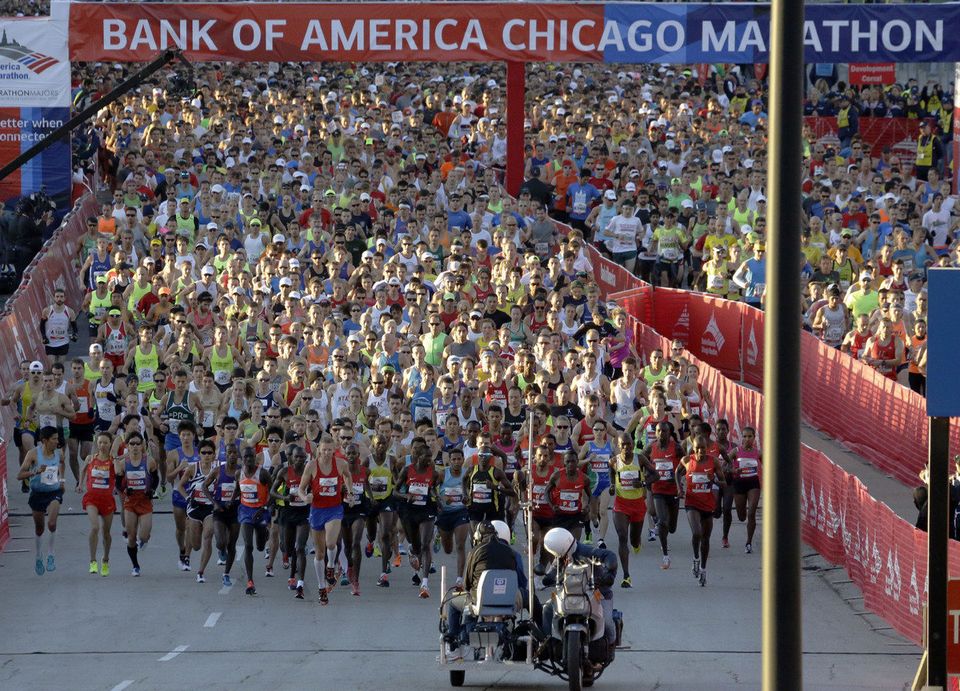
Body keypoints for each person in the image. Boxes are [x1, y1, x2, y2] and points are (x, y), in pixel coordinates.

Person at [443, 521, 519, 660]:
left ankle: (454, 644)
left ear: (478, 536)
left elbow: (467, 583)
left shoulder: (476, 551)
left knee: (454, 603)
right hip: (506, 600)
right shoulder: (510, 551)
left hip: (481, 600)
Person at [541, 527, 618, 651]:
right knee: (547, 609)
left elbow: (610, 556)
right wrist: (548, 578)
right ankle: (547, 644)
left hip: (597, 593)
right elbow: (552, 572)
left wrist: (608, 575)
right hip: (568, 595)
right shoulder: (561, 557)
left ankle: (610, 647)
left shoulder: (586, 552)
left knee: (607, 622)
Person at [298, 433, 352, 605]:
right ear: (318, 450)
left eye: (330, 450)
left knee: (331, 543)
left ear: (334, 450)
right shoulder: (312, 466)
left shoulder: (341, 464)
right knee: (319, 553)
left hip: (334, 509)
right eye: (324, 450)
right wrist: (304, 497)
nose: (327, 453)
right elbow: (301, 488)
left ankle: (331, 567)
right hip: (317, 510)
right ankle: (322, 587)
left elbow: (348, 476)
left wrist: (349, 493)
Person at [676, 433, 727, 586]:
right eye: (697, 449)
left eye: (703, 449)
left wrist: (715, 480)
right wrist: (679, 488)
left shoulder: (714, 462)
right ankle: (695, 559)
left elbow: (724, 483)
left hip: (707, 504)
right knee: (696, 533)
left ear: (707, 449)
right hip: (692, 502)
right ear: (693, 449)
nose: (700, 452)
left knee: (705, 539)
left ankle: (703, 569)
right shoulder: (687, 460)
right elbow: (676, 473)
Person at [17, 426, 65, 576]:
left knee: (52, 523)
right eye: (54, 439)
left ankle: (51, 554)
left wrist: (62, 480)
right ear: (44, 440)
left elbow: (62, 463)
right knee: (40, 528)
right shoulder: (33, 454)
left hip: (54, 492)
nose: (57, 442)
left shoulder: (59, 452)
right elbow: (19, 475)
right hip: (37, 493)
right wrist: (35, 471)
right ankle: (39, 556)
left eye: (58, 438)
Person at [397, 439, 441, 598]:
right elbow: (395, 491)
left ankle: (425, 582)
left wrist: (439, 500)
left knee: (425, 544)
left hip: (427, 510)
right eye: (426, 457)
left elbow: (433, 490)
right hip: (409, 511)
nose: (429, 460)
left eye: (430, 457)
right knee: (415, 546)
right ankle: (411, 551)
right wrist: (406, 495)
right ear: (418, 457)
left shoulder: (433, 473)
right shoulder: (407, 471)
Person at [116, 430, 157, 577]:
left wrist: (151, 490)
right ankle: (135, 565)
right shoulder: (122, 463)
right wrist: (125, 489)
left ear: (142, 445)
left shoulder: (149, 461)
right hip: (130, 503)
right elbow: (118, 483)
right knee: (132, 537)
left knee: (143, 536)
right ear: (127, 446)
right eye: (131, 443)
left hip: (145, 501)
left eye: (137, 444)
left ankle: (145, 540)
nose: (134, 446)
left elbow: (155, 479)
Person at [643, 421, 681, 569]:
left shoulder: (676, 448)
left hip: (672, 491)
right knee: (663, 522)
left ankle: (663, 524)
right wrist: (646, 477)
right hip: (657, 490)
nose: (660, 434)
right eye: (658, 431)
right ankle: (665, 556)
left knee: (672, 528)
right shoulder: (650, 448)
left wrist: (679, 477)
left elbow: (686, 463)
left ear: (669, 433)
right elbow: (640, 461)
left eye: (664, 431)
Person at [203, 442, 242, 587]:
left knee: (231, 544)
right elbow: (204, 486)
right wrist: (214, 502)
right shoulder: (218, 470)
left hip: (235, 511)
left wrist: (233, 499)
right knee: (220, 542)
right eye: (229, 452)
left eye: (234, 453)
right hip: (219, 510)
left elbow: (242, 488)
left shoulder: (240, 471)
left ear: (237, 455)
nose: (232, 455)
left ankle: (226, 574)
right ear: (225, 454)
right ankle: (221, 550)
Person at [179, 438, 217, 583]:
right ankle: (189, 552)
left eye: (210, 452)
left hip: (210, 508)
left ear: (214, 454)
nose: (207, 455)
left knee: (208, 536)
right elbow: (180, 486)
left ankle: (201, 571)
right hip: (195, 508)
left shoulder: (218, 468)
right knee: (196, 545)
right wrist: (188, 498)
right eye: (204, 452)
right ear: (199, 454)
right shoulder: (192, 468)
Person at [610, 437, 647, 588]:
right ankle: (626, 576)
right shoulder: (613, 461)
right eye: (622, 445)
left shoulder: (640, 459)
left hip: (638, 504)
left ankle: (637, 543)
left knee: (634, 539)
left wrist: (643, 483)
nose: (626, 447)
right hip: (621, 504)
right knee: (622, 537)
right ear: (618, 446)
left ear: (632, 445)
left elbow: (655, 475)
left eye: (628, 444)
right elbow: (612, 474)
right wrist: (613, 485)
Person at [81, 431, 117, 576]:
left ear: (110, 444)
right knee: (95, 527)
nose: (102, 445)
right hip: (91, 498)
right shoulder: (90, 458)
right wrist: (80, 484)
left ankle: (106, 560)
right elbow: (83, 470)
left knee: (106, 533)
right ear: (97, 443)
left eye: (105, 443)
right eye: (100, 442)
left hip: (107, 500)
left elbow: (120, 473)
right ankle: (92, 561)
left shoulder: (113, 460)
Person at [238, 446, 273, 596]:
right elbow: (237, 491)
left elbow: (272, 493)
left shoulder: (263, 473)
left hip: (261, 512)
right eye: (246, 457)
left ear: (256, 458)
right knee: (248, 545)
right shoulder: (238, 473)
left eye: (251, 457)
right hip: (245, 511)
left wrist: (264, 508)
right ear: (242, 458)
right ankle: (250, 581)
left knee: (259, 546)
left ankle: (264, 533)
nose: (248, 460)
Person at [436, 447, 471, 590]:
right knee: (448, 549)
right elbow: (432, 489)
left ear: (463, 460)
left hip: (461, 513)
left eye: (459, 459)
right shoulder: (443, 474)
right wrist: (442, 497)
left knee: (460, 545)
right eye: (454, 459)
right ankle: (439, 535)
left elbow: (471, 489)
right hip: (445, 514)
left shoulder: (466, 474)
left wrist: (467, 497)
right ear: (449, 461)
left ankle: (459, 579)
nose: (457, 462)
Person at [729, 426, 763, 553]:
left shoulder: (758, 453)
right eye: (744, 436)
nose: (747, 439)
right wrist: (733, 470)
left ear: (754, 438)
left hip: (753, 483)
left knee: (751, 513)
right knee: (742, 516)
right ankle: (742, 517)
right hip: (739, 483)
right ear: (741, 437)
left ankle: (748, 543)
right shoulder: (735, 451)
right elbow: (723, 466)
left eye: (750, 436)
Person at [545, 450, 589, 540]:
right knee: (559, 545)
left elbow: (590, 495)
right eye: (568, 462)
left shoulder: (584, 478)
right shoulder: (556, 476)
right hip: (560, 516)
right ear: (564, 463)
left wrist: (587, 506)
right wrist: (552, 506)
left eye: (573, 461)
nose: (570, 464)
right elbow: (546, 492)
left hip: (576, 516)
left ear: (577, 461)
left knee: (574, 544)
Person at [40, 288, 78, 364]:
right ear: (54, 298)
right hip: (50, 342)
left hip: (63, 342)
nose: (59, 299)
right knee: (53, 366)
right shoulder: (47, 310)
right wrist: (44, 336)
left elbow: (75, 327)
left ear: (64, 298)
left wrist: (75, 334)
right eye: (57, 297)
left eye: (61, 296)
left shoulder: (70, 311)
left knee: (60, 367)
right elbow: (41, 325)